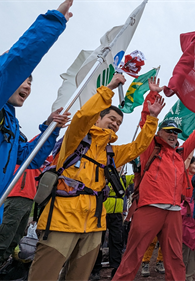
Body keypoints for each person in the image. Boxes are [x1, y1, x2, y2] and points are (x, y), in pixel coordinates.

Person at [0, 2, 73, 277]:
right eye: (23, 80)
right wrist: (54, 22)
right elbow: (14, 63)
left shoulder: (8, 122)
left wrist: (49, 128)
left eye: (32, 83)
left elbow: (27, 158)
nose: (27, 86)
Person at [28, 74, 164, 280]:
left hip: (94, 226)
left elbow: (138, 147)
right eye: (111, 119)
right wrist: (109, 89)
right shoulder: (74, 140)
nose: (115, 124)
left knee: (80, 277)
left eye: (119, 123)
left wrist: (152, 119)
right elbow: (83, 117)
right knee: (43, 276)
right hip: (61, 222)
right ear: (98, 118)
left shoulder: (112, 153)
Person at [112, 85, 195, 281]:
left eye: (176, 132)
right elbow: (145, 123)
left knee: (175, 258)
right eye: (169, 131)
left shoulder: (180, 153)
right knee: (134, 254)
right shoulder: (151, 147)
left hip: (174, 210)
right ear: (159, 132)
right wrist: (153, 97)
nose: (173, 134)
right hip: (150, 206)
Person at [0, 152, 52, 281]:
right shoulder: (28, 151)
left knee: (12, 240)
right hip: (16, 197)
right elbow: (41, 144)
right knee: (2, 238)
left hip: (28, 200)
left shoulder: (43, 159)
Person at [90, 167, 135, 280]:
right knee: (97, 242)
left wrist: (136, 162)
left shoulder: (124, 178)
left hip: (117, 215)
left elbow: (139, 175)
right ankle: (95, 270)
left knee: (116, 242)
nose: (118, 166)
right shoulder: (102, 176)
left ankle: (116, 269)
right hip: (101, 214)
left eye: (120, 165)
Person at [182, 155, 195, 281]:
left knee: (194, 248)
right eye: (193, 163)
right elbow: (186, 160)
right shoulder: (184, 177)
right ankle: (180, 274)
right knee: (183, 247)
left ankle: (189, 275)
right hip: (185, 214)